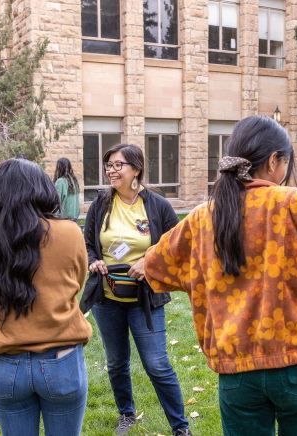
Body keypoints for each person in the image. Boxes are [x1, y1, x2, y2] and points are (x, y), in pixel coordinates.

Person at [143, 115, 297, 436]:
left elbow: (155, 267)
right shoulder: (293, 204)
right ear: (274, 161)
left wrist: (202, 278)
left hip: (236, 369)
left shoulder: (204, 217)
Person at [0, 158, 92, 436]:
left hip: (5, 365)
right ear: (41, 189)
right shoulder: (69, 232)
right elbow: (76, 283)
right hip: (61, 358)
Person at [80, 144, 191, 436]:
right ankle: (126, 414)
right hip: (108, 297)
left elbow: (175, 245)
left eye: (118, 165)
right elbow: (89, 243)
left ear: (136, 169)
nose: (111, 171)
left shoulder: (156, 205)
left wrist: (148, 262)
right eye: (108, 165)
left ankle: (180, 426)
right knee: (116, 362)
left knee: (157, 363)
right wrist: (95, 262)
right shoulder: (100, 204)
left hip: (145, 300)